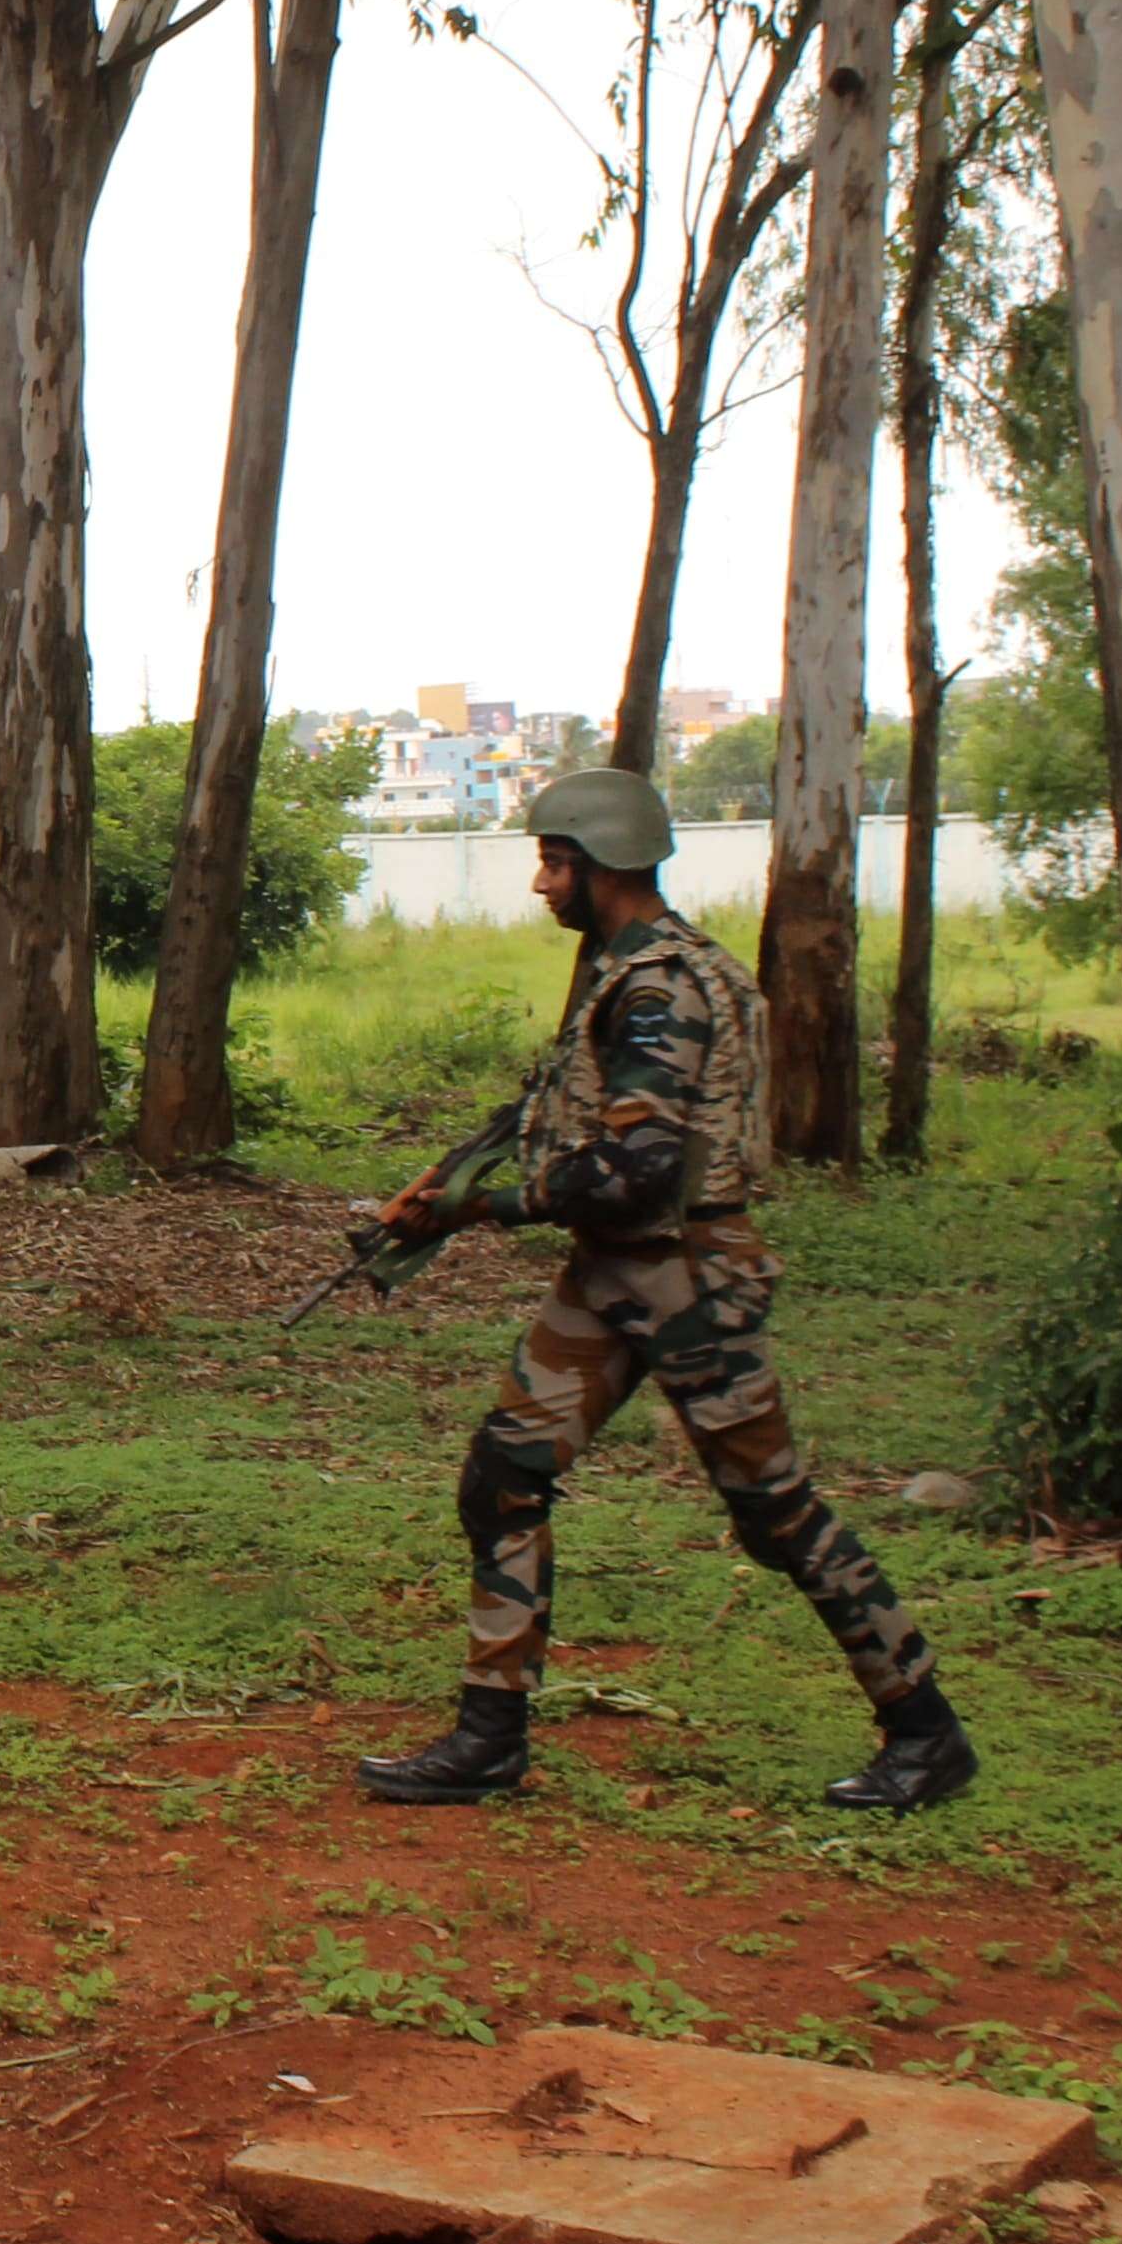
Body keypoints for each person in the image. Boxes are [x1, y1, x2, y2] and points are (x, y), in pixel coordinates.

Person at [349, 768, 973, 1814]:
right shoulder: (627, 969)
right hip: (610, 1275)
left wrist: (479, 1211)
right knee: (502, 1477)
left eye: (555, 863)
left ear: (602, 869)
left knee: (776, 1516)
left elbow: (635, 1171)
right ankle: (490, 1735)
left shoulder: (660, 990)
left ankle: (925, 1730)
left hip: (685, 1278)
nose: (542, 885)